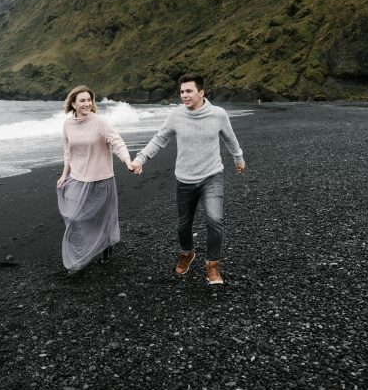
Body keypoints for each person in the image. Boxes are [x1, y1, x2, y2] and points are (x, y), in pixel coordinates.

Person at [132, 72, 245, 285]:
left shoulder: (218, 114)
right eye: (182, 92)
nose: (184, 95)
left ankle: (212, 265)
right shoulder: (176, 116)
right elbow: (159, 139)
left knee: (214, 219)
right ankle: (187, 253)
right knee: (184, 225)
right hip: (184, 180)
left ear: (201, 92)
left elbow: (230, 138)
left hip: (212, 176)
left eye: (189, 91)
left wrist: (238, 158)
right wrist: (140, 159)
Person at [56, 85, 134, 275]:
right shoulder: (67, 124)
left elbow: (117, 142)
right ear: (73, 104)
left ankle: (106, 246)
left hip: (101, 178)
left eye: (89, 100)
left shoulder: (100, 122)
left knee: (100, 218)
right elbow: (68, 152)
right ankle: (80, 254)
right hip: (77, 178)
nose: (87, 103)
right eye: (82, 100)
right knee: (74, 217)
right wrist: (64, 174)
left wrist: (127, 161)